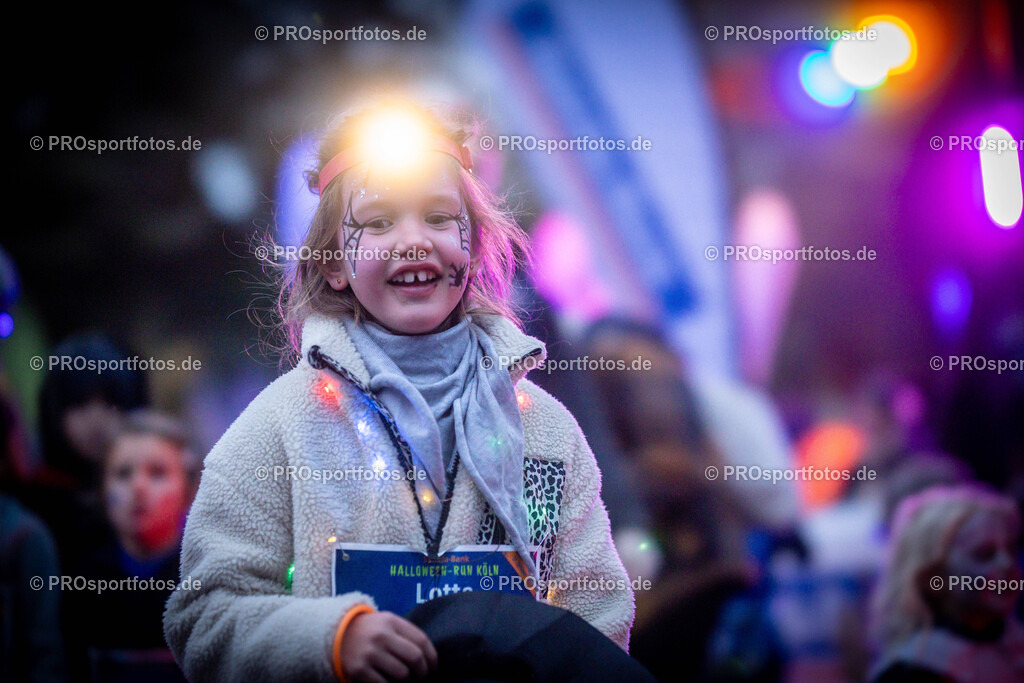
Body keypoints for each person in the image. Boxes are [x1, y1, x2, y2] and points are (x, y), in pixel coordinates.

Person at [164, 100, 635, 682]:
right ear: (334, 262)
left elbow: (600, 618)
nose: (414, 242)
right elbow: (204, 617)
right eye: (381, 221)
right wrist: (331, 641)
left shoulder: (544, 431)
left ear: (475, 244)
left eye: (439, 218)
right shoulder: (278, 428)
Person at [64, 410, 194, 682]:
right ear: (101, 488)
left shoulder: (209, 575)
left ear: (188, 487)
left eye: (157, 473)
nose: (138, 487)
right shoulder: (79, 578)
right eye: (123, 474)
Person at [870, 485, 1024, 682]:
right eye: (984, 554)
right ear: (933, 577)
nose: (1007, 564)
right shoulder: (913, 670)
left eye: (1011, 550)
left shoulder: (1013, 643)